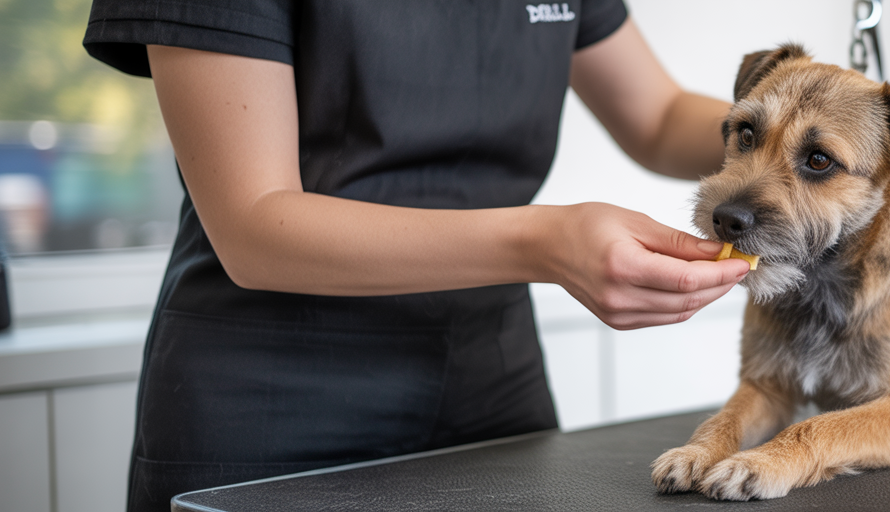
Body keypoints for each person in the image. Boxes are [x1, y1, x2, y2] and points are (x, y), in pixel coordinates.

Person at [81, 1, 748, 510]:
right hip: (271, 406)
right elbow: (252, 225)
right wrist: (543, 241)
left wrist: (790, 119)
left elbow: (657, 117)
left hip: (491, 391)